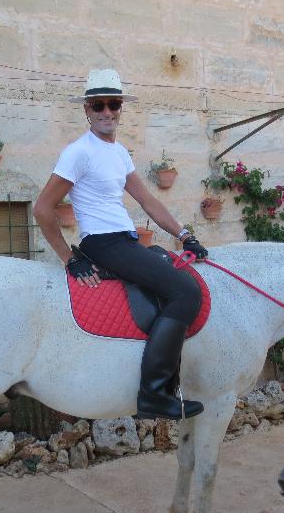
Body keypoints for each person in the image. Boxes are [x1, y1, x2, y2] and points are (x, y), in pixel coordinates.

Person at [33, 68, 209, 420]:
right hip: (105, 244)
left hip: (124, 240)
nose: (107, 112)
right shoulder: (78, 152)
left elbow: (148, 201)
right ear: (87, 109)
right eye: (98, 105)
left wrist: (184, 234)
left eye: (113, 104)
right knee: (186, 293)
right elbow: (42, 208)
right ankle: (155, 395)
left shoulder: (119, 153)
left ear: (121, 108)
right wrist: (69, 259)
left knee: (174, 283)